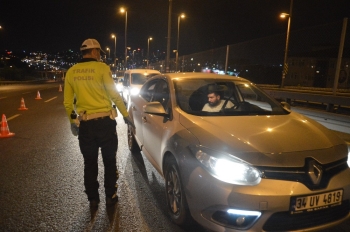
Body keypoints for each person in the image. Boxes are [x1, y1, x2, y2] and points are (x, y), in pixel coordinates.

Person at [63, 38, 134, 209]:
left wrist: (74, 121)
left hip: (86, 126)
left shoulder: (71, 71)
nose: (100, 57)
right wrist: (125, 115)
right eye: (99, 53)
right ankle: (111, 195)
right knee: (109, 161)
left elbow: (68, 103)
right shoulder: (102, 68)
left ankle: (93, 199)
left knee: (90, 163)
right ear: (94, 52)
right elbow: (114, 95)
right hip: (105, 124)